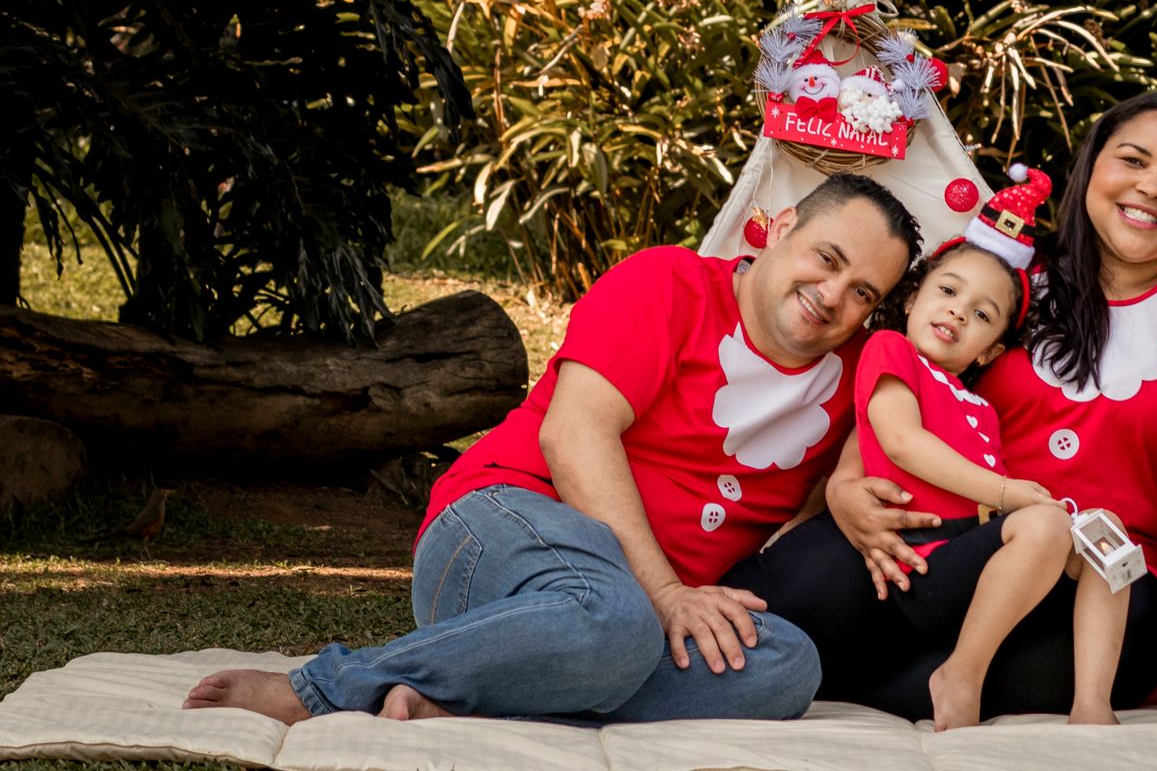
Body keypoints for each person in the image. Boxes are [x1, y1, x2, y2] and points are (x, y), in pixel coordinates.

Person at [182, 174, 920, 725]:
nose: (832, 295)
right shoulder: (670, 284)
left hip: (631, 619)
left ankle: (469, 700)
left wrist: (849, 492)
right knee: (613, 617)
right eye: (826, 258)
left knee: (788, 666)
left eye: (863, 291)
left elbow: (888, 454)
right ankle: (325, 689)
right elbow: (573, 434)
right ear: (781, 226)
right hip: (504, 526)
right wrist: (663, 594)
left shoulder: (855, 374)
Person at [727, 91, 1157, 720]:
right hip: (946, 536)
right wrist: (845, 487)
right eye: (1132, 160)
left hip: (1086, 578)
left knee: (1060, 666)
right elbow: (907, 389)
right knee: (815, 581)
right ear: (1092, 169)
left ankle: (907, 686)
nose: (1152, 186)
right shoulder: (1004, 279)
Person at [853, 168, 1130, 729]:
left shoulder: (980, 407)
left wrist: (1021, 504)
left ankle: (1093, 704)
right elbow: (902, 443)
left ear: (989, 352)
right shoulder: (890, 352)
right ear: (912, 299)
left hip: (973, 556)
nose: (958, 311)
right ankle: (961, 674)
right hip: (920, 560)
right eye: (948, 292)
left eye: (981, 314)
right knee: (1045, 525)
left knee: (1106, 533)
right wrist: (1011, 495)